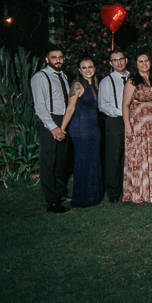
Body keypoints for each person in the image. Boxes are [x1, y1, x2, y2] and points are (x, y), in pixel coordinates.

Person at [122, 53, 152, 203]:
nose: (144, 63)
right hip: (139, 125)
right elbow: (125, 105)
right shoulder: (132, 81)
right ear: (136, 64)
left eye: (146, 60)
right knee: (141, 156)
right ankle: (142, 192)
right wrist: (127, 126)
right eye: (140, 61)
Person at [30, 45, 72, 213]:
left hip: (63, 119)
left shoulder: (64, 76)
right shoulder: (40, 77)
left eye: (60, 57)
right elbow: (40, 106)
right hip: (49, 120)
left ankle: (60, 193)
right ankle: (51, 201)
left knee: (61, 161)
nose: (58, 60)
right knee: (49, 161)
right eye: (54, 57)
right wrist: (53, 127)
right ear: (47, 59)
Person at [60, 57, 103, 207]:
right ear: (79, 70)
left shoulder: (97, 84)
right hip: (80, 128)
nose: (87, 70)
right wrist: (62, 128)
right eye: (84, 68)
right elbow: (70, 108)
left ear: (94, 68)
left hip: (94, 127)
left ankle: (94, 195)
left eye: (90, 67)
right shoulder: (77, 85)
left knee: (94, 160)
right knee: (83, 161)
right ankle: (82, 197)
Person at [98, 49, 128, 203]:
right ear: (110, 63)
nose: (119, 62)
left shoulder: (133, 78)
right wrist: (122, 112)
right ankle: (113, 192)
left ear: (126, 60)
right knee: (114, 157)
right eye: (115, 60)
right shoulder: (106, 81)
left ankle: (128, 189)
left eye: (121, 59)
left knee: (129, 156)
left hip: (132, 121)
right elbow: (103, 105)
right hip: (115, 121)